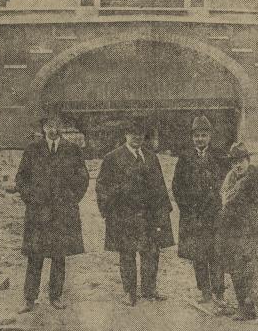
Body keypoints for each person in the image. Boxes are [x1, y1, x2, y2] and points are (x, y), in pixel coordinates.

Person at [96, 117, 175, 306]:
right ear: (126, 135)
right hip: (125, 217)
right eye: (133, 134)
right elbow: (102, 187)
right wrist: (109, 212)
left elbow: (160, 187)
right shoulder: (113, 158)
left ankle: (149, 289)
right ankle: (129, 292)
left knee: (151, 252)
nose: (137, 138)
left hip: (148, 217)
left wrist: (162, 213)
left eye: (140, 134)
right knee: (127, 254)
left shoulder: (151, 157)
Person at [15, 113, 90, 312]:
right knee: (35, 256)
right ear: (43, 127)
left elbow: (83, 178)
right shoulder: (32, 150)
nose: (53, 129)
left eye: (56, 125)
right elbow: (21, 178)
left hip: (62, 213)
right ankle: (29, 299)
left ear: (61, 127)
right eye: (49, 125)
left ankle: (55, 296)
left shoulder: (72, 150)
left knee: (59, 256)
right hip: (38, 213)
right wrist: (31, 199)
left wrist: (72, 199)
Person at [217, 143, 258, 324]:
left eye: (241, 161)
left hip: (251, 235)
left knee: (252, 273)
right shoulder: (229, 182)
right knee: (237, 273)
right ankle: (246, 310)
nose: (238, 165)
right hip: (233, 235)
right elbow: (223, 207)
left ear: (248, 161)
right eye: (234, 162)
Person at [172, 115, 229, 304]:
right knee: (198, 255)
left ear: (210, 136)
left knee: (216, 254)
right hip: (193, 215)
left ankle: (219, 291)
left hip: (214, 215)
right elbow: (177, 187)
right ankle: (204, 290)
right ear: (192, 137)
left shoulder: (220, 157)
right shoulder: (185, 158)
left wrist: (219, 206)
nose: (200, 139)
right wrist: (188, 209)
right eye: (197, 136)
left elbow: (226, 184)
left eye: (204, 135)